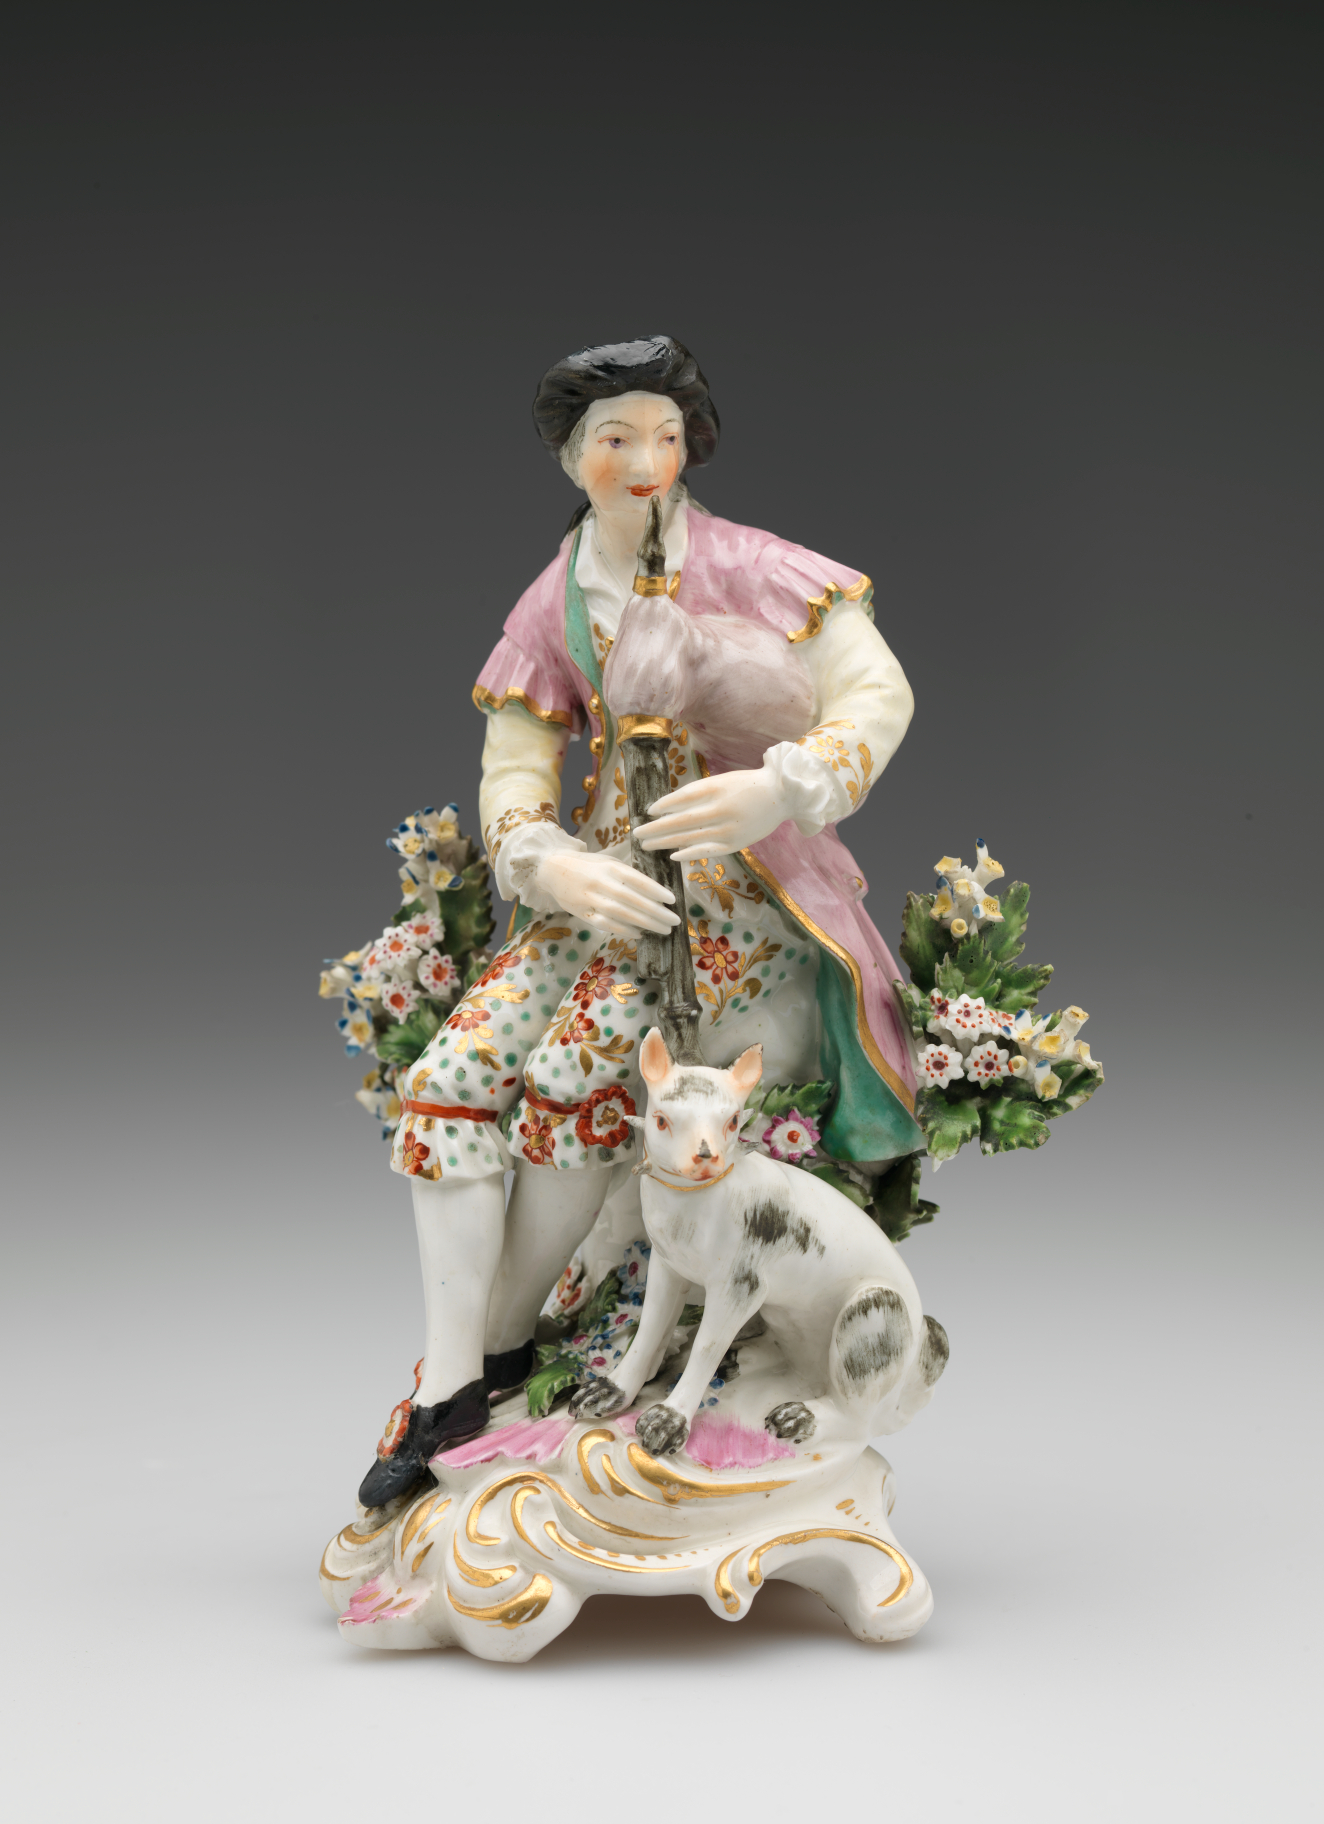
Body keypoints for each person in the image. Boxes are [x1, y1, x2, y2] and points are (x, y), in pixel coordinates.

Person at [358, 336, 921, 1507]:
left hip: (733, 894)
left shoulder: (757, 567)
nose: (644, 461)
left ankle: (496, 1350)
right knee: (446, 1080)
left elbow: (877, 693)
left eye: (664, 435)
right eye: (613, 439)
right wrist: (545, 858)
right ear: (572, 459)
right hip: (601, 886)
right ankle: (450, 1371)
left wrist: (783, 786)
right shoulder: (554, 599)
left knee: (574, 1078)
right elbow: (515, 763)